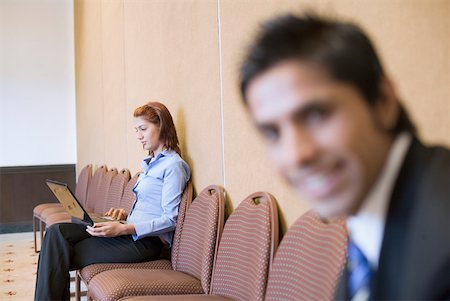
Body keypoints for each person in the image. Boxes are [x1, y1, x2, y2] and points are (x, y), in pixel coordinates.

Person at [239, 13, 450, 300]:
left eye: (316, 115)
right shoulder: (369, 223)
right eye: (273, 133)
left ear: (383, 101)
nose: (296, 155)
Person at [34, 101, 190, 300]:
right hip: (128, 230)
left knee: (58, 252)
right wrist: (124, 215)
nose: (139, 136)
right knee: (56, 233)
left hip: (143, 242)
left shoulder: (174, 166)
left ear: (162, 126)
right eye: (136, 130)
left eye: (143, 129)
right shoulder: (151, 164)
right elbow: (149, 207)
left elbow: (171, 219)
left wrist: (124, 228)